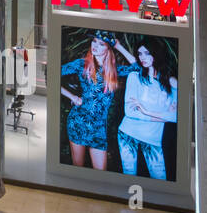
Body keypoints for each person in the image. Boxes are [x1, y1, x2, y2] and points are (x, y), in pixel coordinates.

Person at [60, 33, 138, 169]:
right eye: (94, 42)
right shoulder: (82, 64)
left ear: (108, 49)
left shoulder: (115, 71)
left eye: (101, 44)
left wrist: (119, 46)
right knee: (77, 168)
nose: (95, 46)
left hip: (98, 129)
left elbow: (137, 68)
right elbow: (52, 73)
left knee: (100, 171)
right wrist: (73, 97)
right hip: (78, 123)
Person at [117, 40, 178, 180]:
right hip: (128, 133)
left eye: (147, 53)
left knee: (160, 178)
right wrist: (163, 117)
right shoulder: (134, 77)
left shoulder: (171, 83)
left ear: (157, 54)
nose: (142, 57)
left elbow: (175, 117)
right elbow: (130, 111)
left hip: (153, 139)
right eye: (140, 54)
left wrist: (146, 112)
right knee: (129, 176)